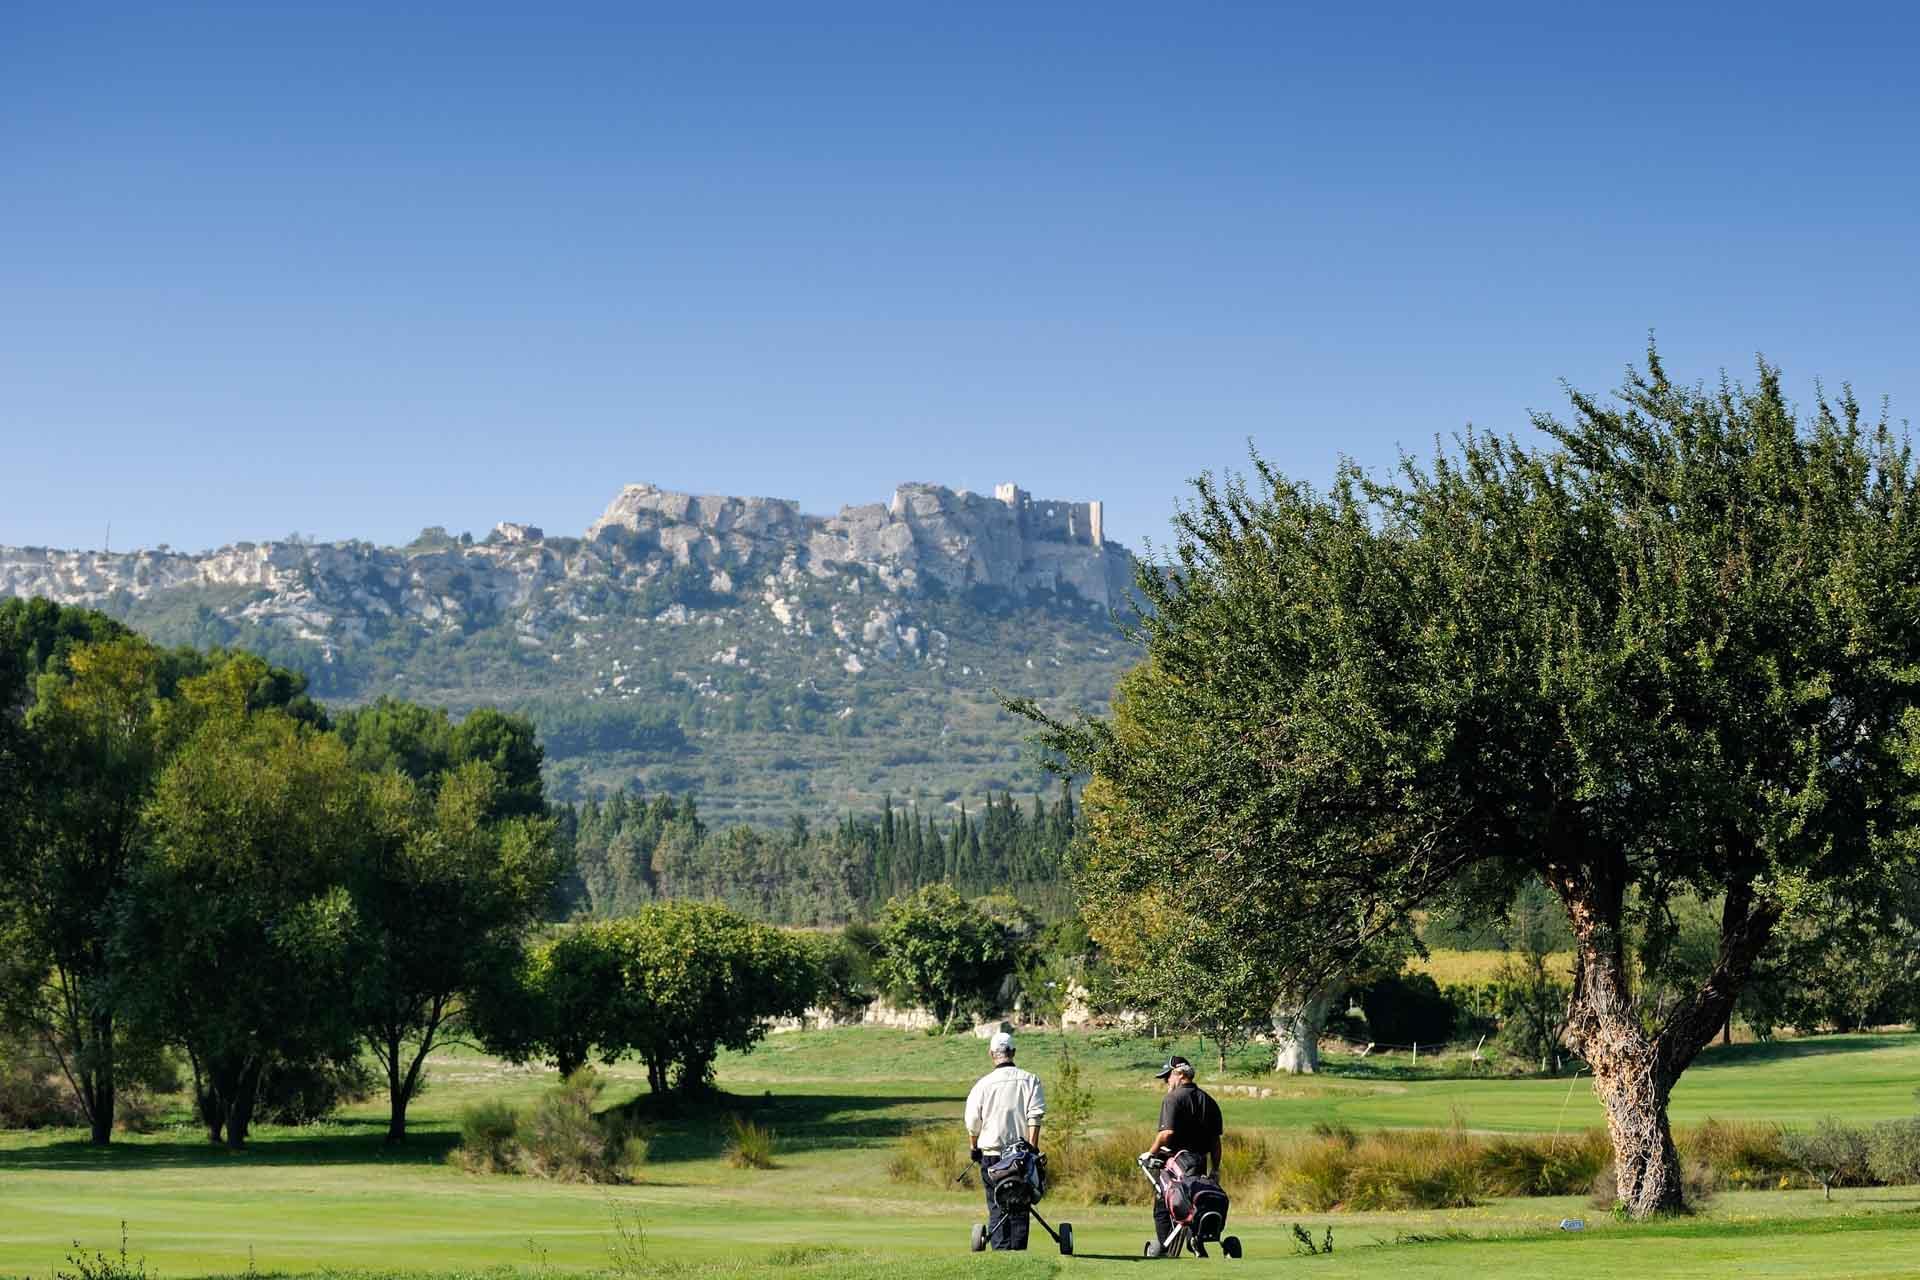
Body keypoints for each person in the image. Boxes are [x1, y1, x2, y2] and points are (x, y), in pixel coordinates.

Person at [963, 1029, 1046, 1250]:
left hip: (991, 1156)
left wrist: (973, 1146)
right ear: (1014, 1052)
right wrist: (1032, 1150)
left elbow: (973, 1121)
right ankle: (1017, 1252)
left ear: (991, 1054)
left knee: (996, 1204)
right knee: (1020, 1204)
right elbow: (1034, 1116)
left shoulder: (982, 1085)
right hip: (1020, 1156)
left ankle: (1000, 1251)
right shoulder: (1031, 1080)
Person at [1143, 1055, 1223, 1251]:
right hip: (1200, 1163)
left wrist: (1149, 1154)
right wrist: (1216, 1169)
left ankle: (1165, 1248)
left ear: (1178, 1074)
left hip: (1174, 1163)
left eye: (1166, 1077)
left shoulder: (1172, 1099)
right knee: (1194, 1202)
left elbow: (1166, 1134)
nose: (1165, 1082)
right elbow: (1215, 1142)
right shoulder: (1209, 1101)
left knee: (1163, 1205)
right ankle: (1194, 1240)